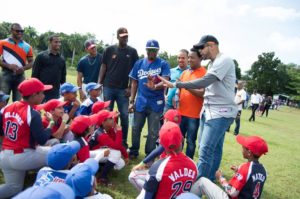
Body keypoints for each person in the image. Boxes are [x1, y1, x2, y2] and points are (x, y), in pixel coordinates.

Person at [158, 35, 238, 181]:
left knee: (205, 149)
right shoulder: (213, 63)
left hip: (220, 112)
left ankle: (198, 185)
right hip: (210, 111)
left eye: (202, 48)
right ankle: (208, 181)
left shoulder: (224, 60)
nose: (201, 52)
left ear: (211, 45)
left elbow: (205, 81)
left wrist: (177, 84)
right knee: (214, 148)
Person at [0, 78, 53, 198]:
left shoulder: (7, 107)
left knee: (13, 188)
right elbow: (42, 140)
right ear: (34, 94)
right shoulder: (32, 113)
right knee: (57, 153)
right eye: (41, 92)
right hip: (22, 156)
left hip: (4, 156)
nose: (44, 95)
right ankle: (51, 189)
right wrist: (51, 124)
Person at [128, 39, 170, 159]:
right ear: (146, 50)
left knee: (153, 132)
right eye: (150, 50)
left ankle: (149, 155)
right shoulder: (139, 63)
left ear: (158, 51)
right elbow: (134, 82)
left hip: (156, 103)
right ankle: (134, 151)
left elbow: (166, 80)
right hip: (141, 101)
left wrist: (156, 86)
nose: (152, 52)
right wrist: (131, 101)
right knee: (135, 128)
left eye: (154, 50)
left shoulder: (163, 63)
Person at [191, 135, 268, 199]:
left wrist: (220, 178)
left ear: (249, 153)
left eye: (243, 147)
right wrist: (239, 170)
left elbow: (232, 192)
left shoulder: (245, 167)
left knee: (202, 181)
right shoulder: (263, 170)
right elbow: (251, 180)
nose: (241, 149)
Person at [98, 27, 139, 148]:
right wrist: (99, 84)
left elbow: (135, 71)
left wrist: (130, 87)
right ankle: (107, 140)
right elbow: (103, 67)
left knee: (125, 116)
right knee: (107, 116)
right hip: (108, 87)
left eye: (126, 36)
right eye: (122, 36)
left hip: (123, 90)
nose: (125, 38)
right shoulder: (109, 50)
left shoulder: (132, 52)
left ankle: (123, 141)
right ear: (117, 37)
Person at [136, 121, 198, 199]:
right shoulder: (194, 165)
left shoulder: (158, 167)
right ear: (182, 139)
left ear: (161, 143)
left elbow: (147, 196)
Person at [128, 109, 181, 191]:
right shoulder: (179, 134)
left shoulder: (168, 132)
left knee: (132, 176)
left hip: (164, 169)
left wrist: (142, 163)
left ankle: (152, 193)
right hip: (175, 173)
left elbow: (158, 150)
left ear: (165, 120)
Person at [178, 48, 206, 159]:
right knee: (179, 139)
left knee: (190, 141)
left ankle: (188, 162)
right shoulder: (185, 72)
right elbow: (179, 89)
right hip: (180, 113)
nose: (189, 60)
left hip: (194, 115)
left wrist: (187, 86)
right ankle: (178, 160)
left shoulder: (205, 73)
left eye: (192, 57)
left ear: (200, 58)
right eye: (188, 57)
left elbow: (203, 93)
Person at [88, 110, 127, 186]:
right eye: (110, 118)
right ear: (103, 122)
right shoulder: (101, 133)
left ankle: (100, 167)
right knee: (116, 153)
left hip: (98, 152)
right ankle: (102, 177)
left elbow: (118, 144)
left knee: (120, 164)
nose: (113, 120)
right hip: (89, 155)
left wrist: (126, 156)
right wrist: (119, 131)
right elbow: (117, 147)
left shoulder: (109, 129)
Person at [0, 23, 33, 102]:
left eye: (22, 31)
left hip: (20, 76)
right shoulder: (2, 43)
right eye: (17, 31)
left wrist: (24, 68)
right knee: (2, 100)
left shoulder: (27, 46)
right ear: (11, 31)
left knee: (19, 102)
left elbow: (31, 62)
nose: (20, 33)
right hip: (6, 74)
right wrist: (8, 66)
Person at [32, 34, 66, 101]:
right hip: (42, 92)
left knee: (53, 111)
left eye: (59, 42)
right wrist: (35, 90)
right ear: (50, 43)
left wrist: (63, 90)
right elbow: (34, 75)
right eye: (56, 42)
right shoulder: (41, 56)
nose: (58, 44)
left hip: (56, 93)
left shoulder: (62, 59)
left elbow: (63, 77)